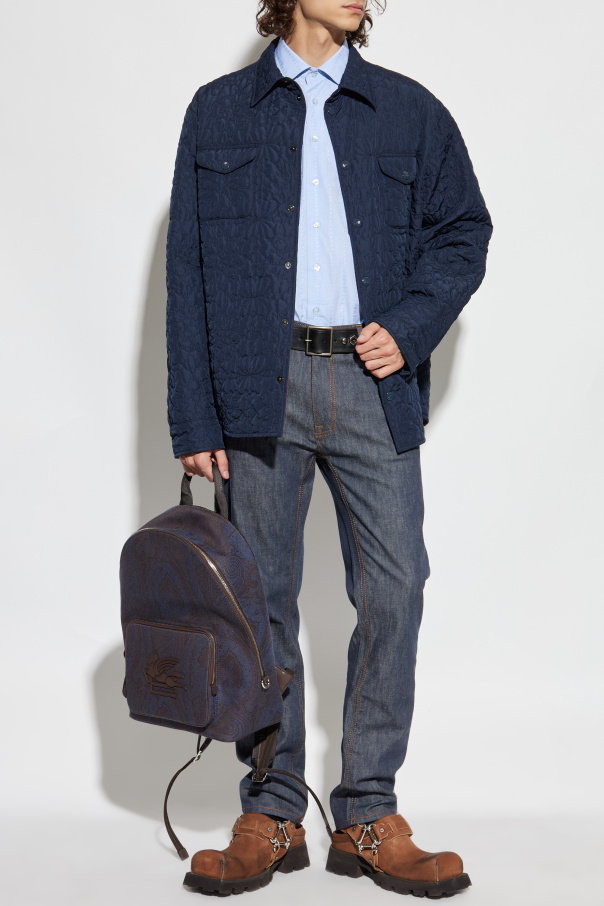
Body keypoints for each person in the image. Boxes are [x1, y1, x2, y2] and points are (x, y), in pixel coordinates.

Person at [165, 0, 493, 897]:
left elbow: (464, 230)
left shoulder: (409, 110)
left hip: (370, 382)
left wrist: (411, 325)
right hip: (255, 381)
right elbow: (188, 267)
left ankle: (367, 813)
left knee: (396, 586)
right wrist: (194, 420)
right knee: (262, 601)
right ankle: (273, 812)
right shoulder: (218, 110)